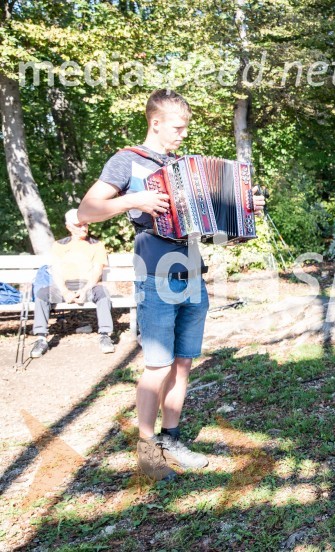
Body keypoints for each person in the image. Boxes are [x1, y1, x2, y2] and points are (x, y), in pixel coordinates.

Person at [78, 89, 265, 481]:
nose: (183, 134)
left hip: (193, 274)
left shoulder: (184, 167)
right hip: (155, 276)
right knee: (157, 366)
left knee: (182, 364)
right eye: (178, 128)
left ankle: (171, 438)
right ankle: (148, 453)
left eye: (185, 128)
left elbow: (216, 231)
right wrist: (134, 201)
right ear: (156, 122)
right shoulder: (127, 161)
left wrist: (246, 209)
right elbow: (87, 211)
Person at [29, 208, 115, 358]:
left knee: (102, 293)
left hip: (88, 286)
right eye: (78, 225)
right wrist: (64, 291)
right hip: (64, 287)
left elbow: (97, 271)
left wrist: (85, 290)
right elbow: (56, 271)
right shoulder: (59, 245)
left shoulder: (97, 245)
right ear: (68, 226)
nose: (84, 228)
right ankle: (41, 338)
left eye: (85, 224)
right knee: (42, 294)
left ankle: (105, 335)